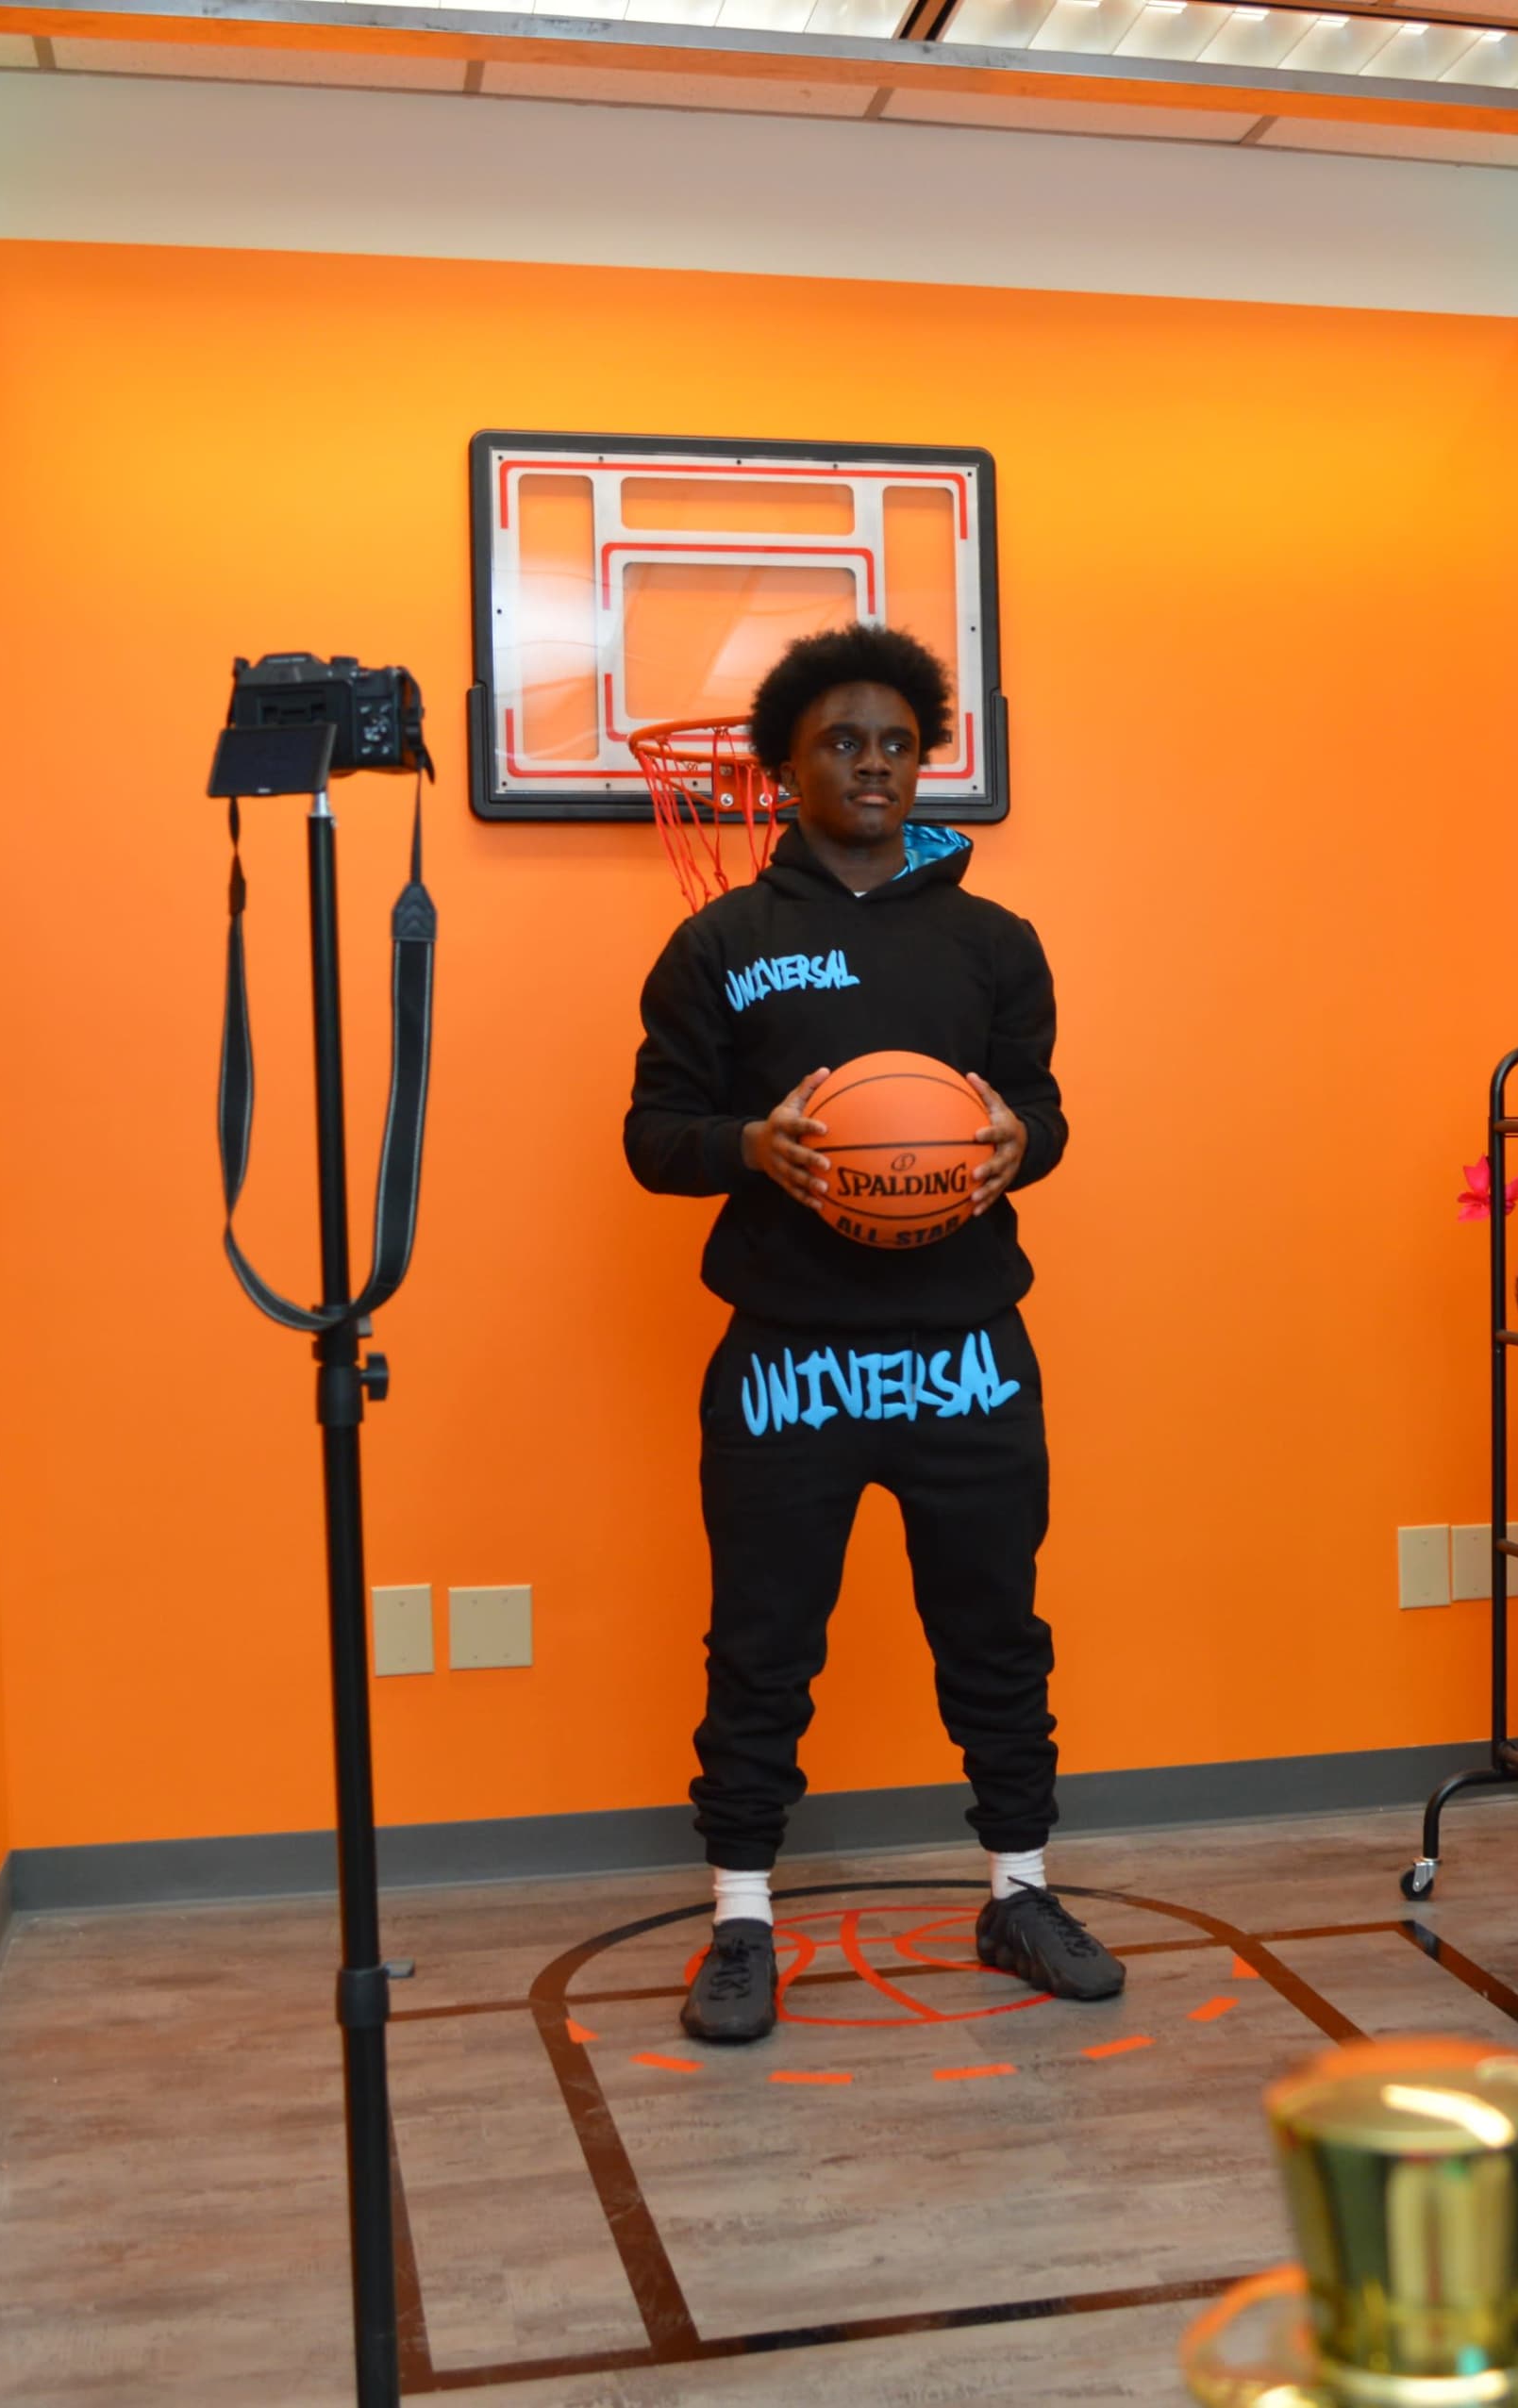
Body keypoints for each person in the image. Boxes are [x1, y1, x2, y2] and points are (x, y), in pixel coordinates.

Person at [624, 621, 1123, 2045]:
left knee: (997, 1632)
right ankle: (739, 1917)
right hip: (787, 1355)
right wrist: (752, 1145)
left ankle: (1017, 1890)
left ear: (927, 760)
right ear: (784, 768)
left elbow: (1046, 1114)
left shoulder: (992, 942)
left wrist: (1020, 1142)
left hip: (965, 1351)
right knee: (764, 1643)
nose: (874, 764)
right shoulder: (721, 941)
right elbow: (653, 1137)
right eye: (842, 741)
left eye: (898, 742)